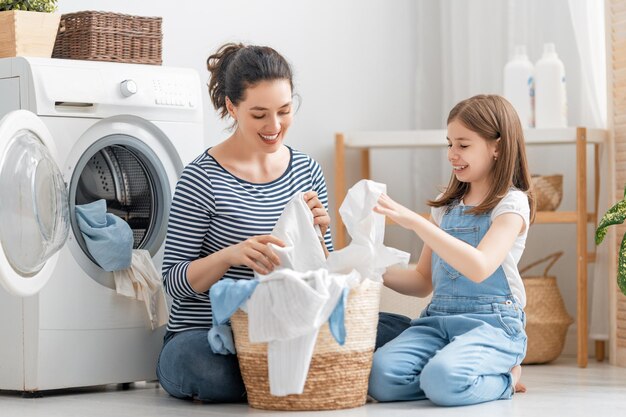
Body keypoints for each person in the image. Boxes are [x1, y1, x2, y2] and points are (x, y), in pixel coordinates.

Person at [156, 43, 333, 403]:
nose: (275, 126)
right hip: (206, 332)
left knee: (390, 330)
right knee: (206, 370)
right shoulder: (201, 178)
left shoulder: (306, 170)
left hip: (281, 328)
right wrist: (228, 257)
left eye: (284, 111)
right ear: (232, 108)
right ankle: (279, 374)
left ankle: (273, 371)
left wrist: (321, 236)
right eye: (259, 115)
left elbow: (322, 278)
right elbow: (173, 282)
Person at [368, 94, 535, 406]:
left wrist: (418, 224)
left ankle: (506, 379)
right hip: (439, 319)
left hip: (493, 324)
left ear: (496, 146)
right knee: (380, 378)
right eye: (450, 144)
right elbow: (422, 282)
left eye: (463, 144)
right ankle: (448, 378)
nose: (452, 154)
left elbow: (480, 266)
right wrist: (370, 267)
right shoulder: (446, 205)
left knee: (444, 379)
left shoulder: (511, 205)